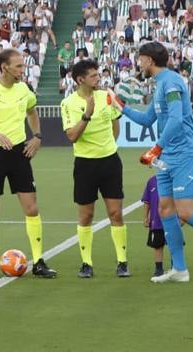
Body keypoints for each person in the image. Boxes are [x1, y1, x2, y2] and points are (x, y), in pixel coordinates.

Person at [118, 41, 193, 283]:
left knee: (184, 211)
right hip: (167, 157)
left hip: (184, 154)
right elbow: (147, 119)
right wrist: (122, 108)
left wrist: (156, 148)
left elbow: (174, 120)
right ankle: (180, 270)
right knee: (164, 210)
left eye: (140, 58)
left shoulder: (171, 82)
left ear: (150, 60)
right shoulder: (160, 84)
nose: (138, 63)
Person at [0, 49, 56, 279]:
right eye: (18, 66)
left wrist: (37, 136)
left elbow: (32, 112)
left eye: (23, 66)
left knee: (31, 208)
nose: (22, 70)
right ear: (4, 67)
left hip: (19, 152)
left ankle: (38, 262)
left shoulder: (24, 89)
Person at [61, 59, 128, 278]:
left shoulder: (106, 96)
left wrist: (110, 146)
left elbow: (115, 123)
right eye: (93, 76)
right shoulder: (68, 103)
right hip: (84, 164)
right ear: (80, 80)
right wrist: (87, 114)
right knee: (86, 215)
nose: (98, 78)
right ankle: (86, 263)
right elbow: (72, 136)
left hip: (109, 161)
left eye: (98, 75)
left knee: (115, 213)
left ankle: (122, 262)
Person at [142, 174, 165, 278]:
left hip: (172, 220)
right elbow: (147, 202)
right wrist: (145, 217)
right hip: (156, 221)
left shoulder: (175, 179)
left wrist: (181, 217)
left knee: (175, 244)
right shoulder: (151, 181)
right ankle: (159, 269)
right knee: (157, 245)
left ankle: (177, 267)